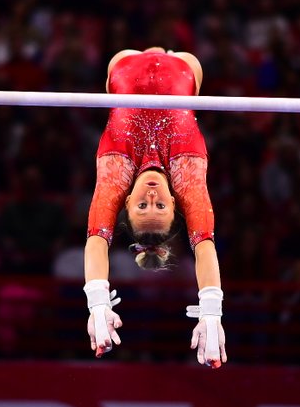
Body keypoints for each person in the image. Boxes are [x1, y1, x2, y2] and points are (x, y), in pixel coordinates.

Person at [83, 47, 225, 367]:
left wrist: (97, 302)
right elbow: (204, 246)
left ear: (127, 202)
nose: (151, 195)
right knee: (189, 63)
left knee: (119, 63)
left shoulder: (115, 173)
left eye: (142, 205)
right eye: (159, 205)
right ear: (174, 204)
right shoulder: (187, 175)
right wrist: (212, 310)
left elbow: (96, 239)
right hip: (184, 67)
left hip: (124, 62)